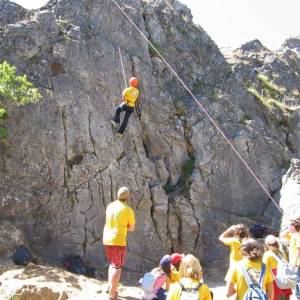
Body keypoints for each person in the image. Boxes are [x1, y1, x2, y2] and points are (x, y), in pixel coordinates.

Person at [103, 186, 135, 300]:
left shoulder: (110, 206)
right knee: (117, 267)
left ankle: (109, 286)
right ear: (128, 197)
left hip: (106, 238)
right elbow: (131, 228)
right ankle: (112, 294)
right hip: (118, 240)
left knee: (112, 263)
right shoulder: (128, 210)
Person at [263, 235, 292, 300]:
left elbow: (264, 270)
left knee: (276, 296)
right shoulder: (281, 252)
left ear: (267, 245)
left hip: (274, 280)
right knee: (285, 297)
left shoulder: (267, 254)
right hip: (284, 278)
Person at [280, 217, 300, 299]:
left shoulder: (298, 235)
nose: (288, 227)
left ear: (294, 226)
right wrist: (289, 229)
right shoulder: (293, 234)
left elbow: (299, 250)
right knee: (296, 281)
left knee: (298, 281)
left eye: (289, 225)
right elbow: (282, 235)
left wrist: (294, 263)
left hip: (297, 264)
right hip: (295, 263)